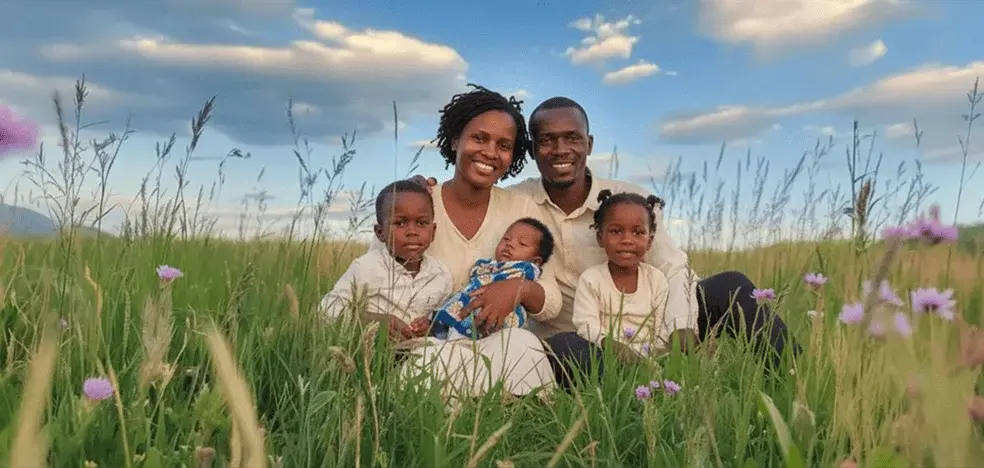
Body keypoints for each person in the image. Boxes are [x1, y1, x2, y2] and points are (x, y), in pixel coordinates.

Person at [414, 96, 800, 389]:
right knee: (565, 346)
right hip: (581, 342)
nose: (561, 150)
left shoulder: (628, 200)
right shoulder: (518, 202)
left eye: (572, 138)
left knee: (729, 286)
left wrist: (681, 326)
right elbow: (472, 197)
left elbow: (674, 268)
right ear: (532, 151)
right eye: (546, 141)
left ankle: (794, 385)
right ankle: (639, 399)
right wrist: (421, 190)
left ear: (590, 143)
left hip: (657, 324)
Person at [390, 84, 563, 400]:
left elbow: (551, 302)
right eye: (479, 138)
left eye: (503, 145)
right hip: (430, 343)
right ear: (456, 139)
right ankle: (461, 419)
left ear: (512, 157)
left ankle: (518, 417)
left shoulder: (522, 210)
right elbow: (373, 278)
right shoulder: (419, 204)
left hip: (494, 344)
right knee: (429, 365)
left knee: (524, 345)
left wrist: (518, 289)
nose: (490, 152)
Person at [318, 180, 453, 341]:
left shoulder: (440, 275)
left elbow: (446, 321)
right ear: (380, 232)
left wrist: (431, 327)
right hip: (373, 356)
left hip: (423, 358)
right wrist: (370, 321)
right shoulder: (366, 267)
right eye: (400, 223)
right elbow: (326, 311)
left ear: (433, 231)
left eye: (421, 223)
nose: (412, 231)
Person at [572, 190, 673, 358]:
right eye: (616, 231)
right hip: (607, 354)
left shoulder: (656, 279)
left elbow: (663, 327)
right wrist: (614, 348)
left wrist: (650, 357)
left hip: (650, 358)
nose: (627, 240)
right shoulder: (591, 279)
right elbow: (586, 324)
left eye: (638, 232)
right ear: (600, 237)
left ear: (650, 241)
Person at [432, 217, 555, 341]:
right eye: (506, 239)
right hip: (464, 311)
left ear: (536, 261)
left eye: (521, 244)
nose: (510, 244)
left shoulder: (524, 269)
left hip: (494, 320)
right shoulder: (488, 265)